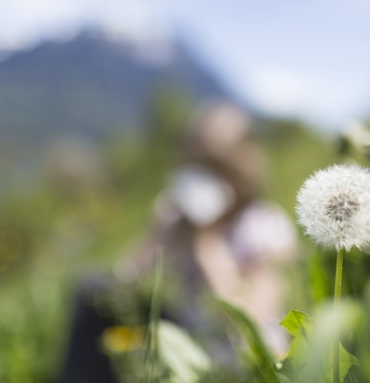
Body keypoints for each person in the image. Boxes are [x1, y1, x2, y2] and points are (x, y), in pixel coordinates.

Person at [60, 101, 298, 381]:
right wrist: (161, 236)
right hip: (187, 334)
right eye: (197, 168)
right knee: (91, 287)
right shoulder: (175, 217)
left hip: (238, 353)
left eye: (215, 168)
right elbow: (125, 282)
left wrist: (208, 244)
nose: (206, 180)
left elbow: (252, 320)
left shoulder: (263, 225)